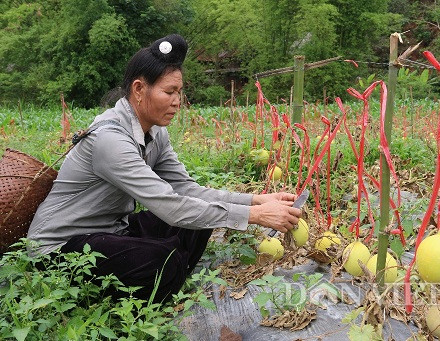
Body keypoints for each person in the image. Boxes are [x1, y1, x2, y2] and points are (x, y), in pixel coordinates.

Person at [27, 33, 301, 302]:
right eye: (169, 92)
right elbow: (169, 205)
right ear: (138, 89)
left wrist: (256, 199)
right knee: (163, 259)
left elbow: (187, 189)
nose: (176, 101)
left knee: (197, 222)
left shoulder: (155, 132)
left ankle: (166, 273)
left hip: (109, 232)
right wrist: (255, 215)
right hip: (61, 248)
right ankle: (166, 271)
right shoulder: (110, 140)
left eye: (179, 92)